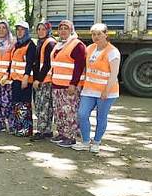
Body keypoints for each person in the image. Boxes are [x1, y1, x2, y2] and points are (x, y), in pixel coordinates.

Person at [72, 23, 120, 153]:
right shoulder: (90, 48)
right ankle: (86, 141)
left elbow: (114, 74)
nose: (96, 37)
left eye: (99, 34)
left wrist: (106, 91)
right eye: (93, 34)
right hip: (89, 90)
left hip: (106, 92)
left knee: (101, 117)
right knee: (82, 114)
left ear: (106, 34)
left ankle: (97, 142)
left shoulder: (113, 52)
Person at [50, 19, 86, 147]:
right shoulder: (59, 45)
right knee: (59, 111)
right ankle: (62, 133)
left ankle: (71, 137)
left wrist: (73, 84)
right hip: (57, 84)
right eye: (61, 28)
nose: (63, 31)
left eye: (66, 28)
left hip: (69, 86)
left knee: (70, 112)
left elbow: (79, 66)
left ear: (71, 30)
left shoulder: (77, 45)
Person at [9, 21, 37, 137]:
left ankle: (26, 129)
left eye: (22, 30)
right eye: (18, 29)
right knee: (17, 104)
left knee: (25, 104)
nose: (19, 32)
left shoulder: (30, 45)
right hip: (16, 79)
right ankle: (18, 127)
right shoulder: (17, 44)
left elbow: (30, 63)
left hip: (25, 80)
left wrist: (26, 77)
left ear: (26, 31)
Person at [30, 21, 56, 141]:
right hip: (43, 80)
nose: (40, 31)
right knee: (45, 106)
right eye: (38, 29)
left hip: (45, 81)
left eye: (43, 29)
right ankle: (47, 130)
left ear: (48, 30)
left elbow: (47, 64)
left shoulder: (49, 43)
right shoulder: (42, 43)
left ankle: (41, 131)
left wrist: (38, 80)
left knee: (42, 107)